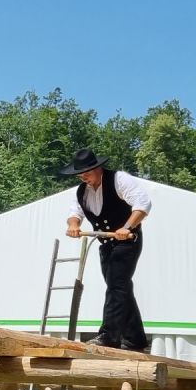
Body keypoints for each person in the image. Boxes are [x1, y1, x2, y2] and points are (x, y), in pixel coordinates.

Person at [61, 148, 152, 351]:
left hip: (128, 241)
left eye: (87, 172)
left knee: (116, 286)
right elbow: (74, 213)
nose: (84, 177)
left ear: (98, 168)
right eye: (80, 174)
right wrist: (73, 225)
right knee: (120, 288)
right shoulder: (81, 191)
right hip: (106, 244)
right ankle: (135, 339)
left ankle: (109, 335)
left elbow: (143, 203)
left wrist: (127, 227)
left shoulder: (119, 179)